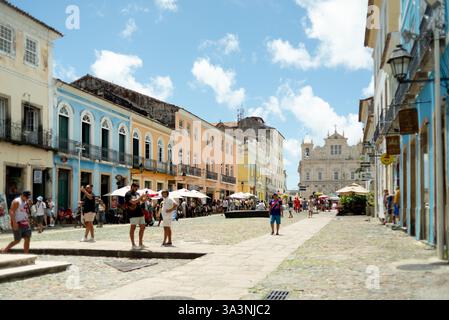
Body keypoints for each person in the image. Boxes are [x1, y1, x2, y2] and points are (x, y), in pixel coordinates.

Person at [125, 183, 148, 250]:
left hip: (140, 212)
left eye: (137, 188)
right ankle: (133, 244)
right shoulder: (128, 194)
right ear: (132, 187)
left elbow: (141, 201)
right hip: (132, 213)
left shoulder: (137, 193)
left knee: (143, 227)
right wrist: (141, 197)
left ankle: (140, 243)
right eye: (135, 187)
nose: (136, 189)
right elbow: (133, 202)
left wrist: (146, 197)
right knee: (133, 228)